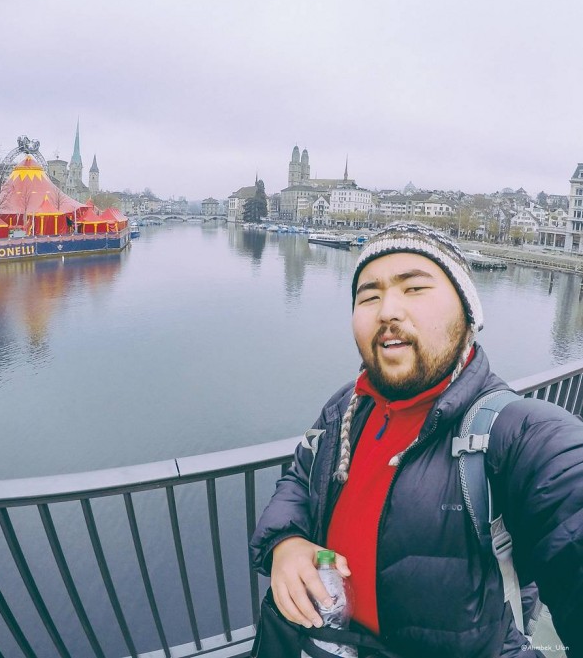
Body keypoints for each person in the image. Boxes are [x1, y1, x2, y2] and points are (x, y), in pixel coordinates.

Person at [250, 222, 583, 658]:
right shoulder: (346, 406)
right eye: (369, 296)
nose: (387, 310)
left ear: (468, 315)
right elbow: (300, 477)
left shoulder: (519, 435)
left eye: (414, 288)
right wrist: (286, 543)